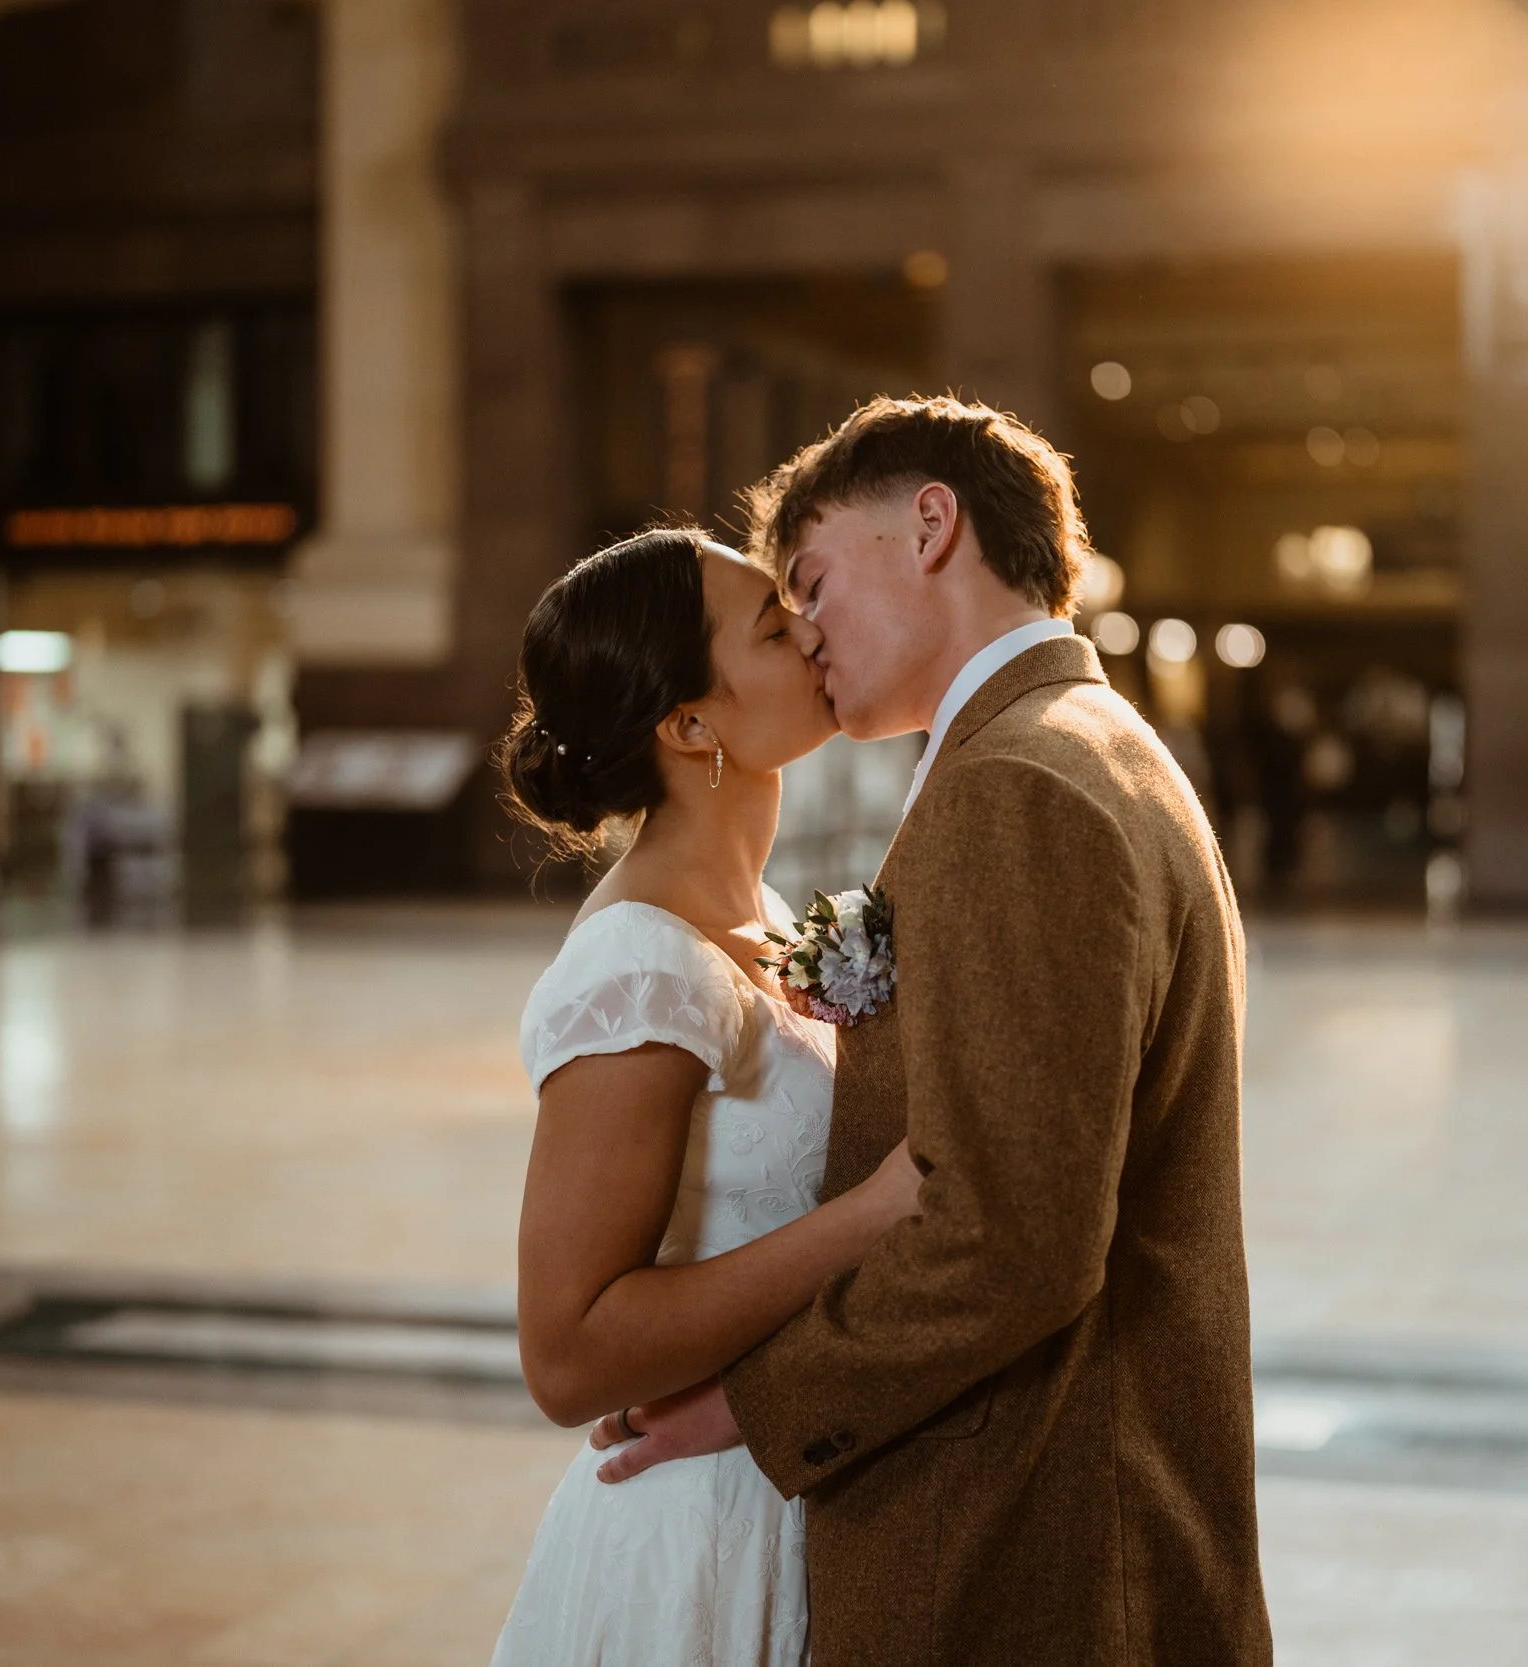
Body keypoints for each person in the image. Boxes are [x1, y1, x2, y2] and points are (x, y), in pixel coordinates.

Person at [590, 397, 1272, 1666]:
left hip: (1026, 1542)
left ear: (930, 524)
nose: (800, 632)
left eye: (808, 580)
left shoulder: (1017, 782)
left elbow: (1006, 1231)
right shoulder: (1093, 745)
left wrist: (753, 1401)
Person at [489, 527, 924, 1666]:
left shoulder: (766, 917)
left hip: (788, 1467)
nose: (815, 629)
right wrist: (867, 1219)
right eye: (777, 628)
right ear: (691, 726)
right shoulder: (640, 964)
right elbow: (567, 1354)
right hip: (699, 1534)